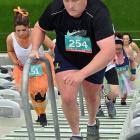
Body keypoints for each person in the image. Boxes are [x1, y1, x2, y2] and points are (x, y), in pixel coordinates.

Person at [30, 0, 115, 139]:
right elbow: (39, 27)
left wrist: (82, 74)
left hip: (94, 59)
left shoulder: (98, 12)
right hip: (66, 58)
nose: (70, 6)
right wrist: (34, 49)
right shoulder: (55, 8)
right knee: (68, 97)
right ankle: (76, 134)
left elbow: (109, 51)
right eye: (67, 0)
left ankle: (92, 122)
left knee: (91, 96)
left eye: (75, 0)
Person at [6, 6, 55, 127]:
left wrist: (49, 56)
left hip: (41, 67)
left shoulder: (36, 33)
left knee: (40, 93)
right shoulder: (10, 38)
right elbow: (10, 51)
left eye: (24, 30)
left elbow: (52, 46)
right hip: (24, 68)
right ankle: (40, 114)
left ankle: (42, 115)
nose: (21, 33)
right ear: (14, 30)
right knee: (32, 94)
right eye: (18, 31)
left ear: (29, 27)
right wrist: (15, 60)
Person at [114, 36, 136, 105]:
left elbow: (132, 62)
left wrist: (133, 73)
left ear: (122, 47)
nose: (117, 51)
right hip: (113, 75)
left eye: (119, 49)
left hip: (125, 74)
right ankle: (112, 100)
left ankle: (123, 100)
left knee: (125, 91)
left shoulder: (128, 52)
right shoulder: (109, 54)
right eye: (115, 49)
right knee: (113, 91)